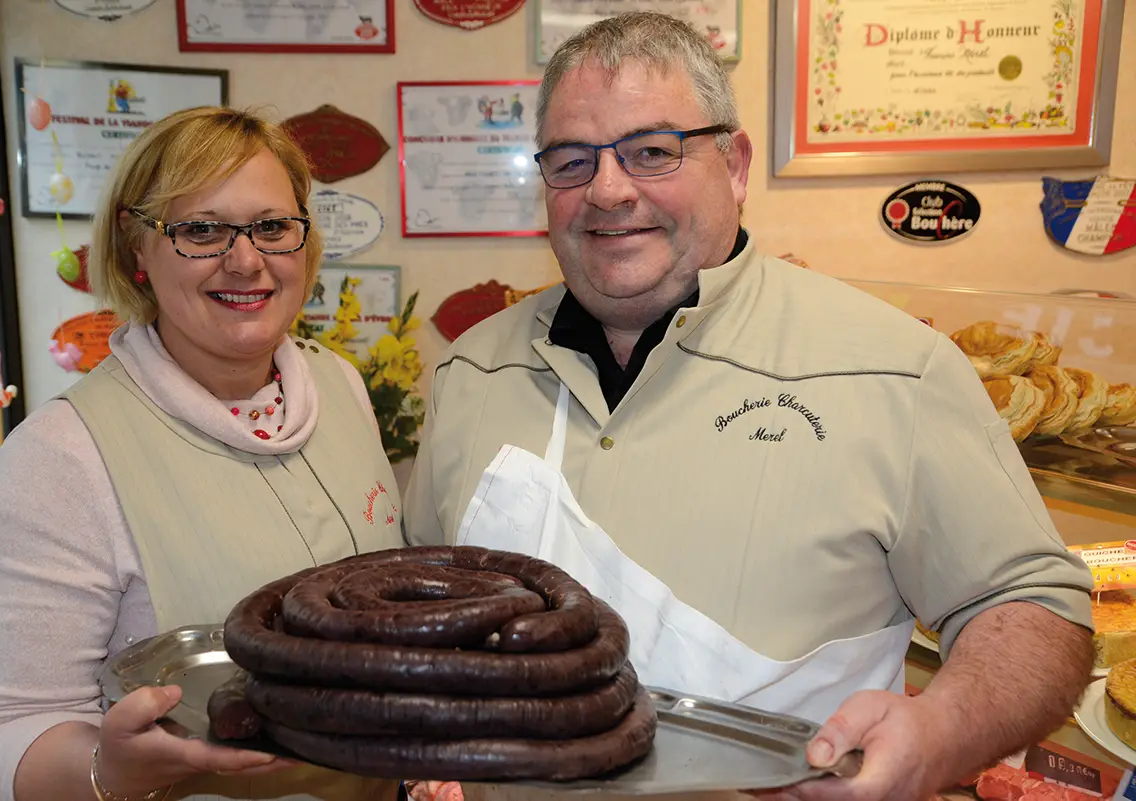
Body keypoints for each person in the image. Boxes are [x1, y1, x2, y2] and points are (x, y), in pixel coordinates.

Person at [403, 13, 1094, 801]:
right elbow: (423, 606)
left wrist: (938, 733)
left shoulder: (897, 368)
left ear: (734, 164)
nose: (607, 189)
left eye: (652, 151)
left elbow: (1031, 601)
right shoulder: (470, 370)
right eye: (571, 161)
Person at [0, 107, 407, 801]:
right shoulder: (60, 459)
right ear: (137, 250)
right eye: (200, 230)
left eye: (272, 226)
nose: (246, 259)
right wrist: (109, 770)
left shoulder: (340, 384)